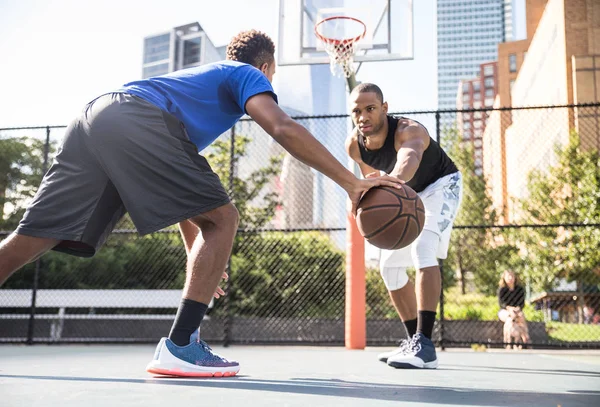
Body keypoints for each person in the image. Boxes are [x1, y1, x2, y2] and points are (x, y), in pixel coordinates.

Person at [0, 30, 402, 377]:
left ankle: (183, 342)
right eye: (272, 78)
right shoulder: (245, 74)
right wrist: (350, 183)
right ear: (265, 69)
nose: (270, 87)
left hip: (96, 115)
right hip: (137, 120)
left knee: (34, 237)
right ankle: (181, 346)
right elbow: (282, 127)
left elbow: (180, 196)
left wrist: (198, 250)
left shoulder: (197, 88)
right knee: (225, 217)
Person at [345, 83, 462, 369]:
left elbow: (407, 163)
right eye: (357, 111)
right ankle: (415, 343)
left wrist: (392, 182)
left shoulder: (410, 131)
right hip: (406, 196)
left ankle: (424, 342)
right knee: (389, 268)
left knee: (423, 247)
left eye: (370, 109)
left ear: (384, 108)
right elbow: (372, 182)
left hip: (441, 187)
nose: (363, 117)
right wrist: (366, 206)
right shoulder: (355, 146)